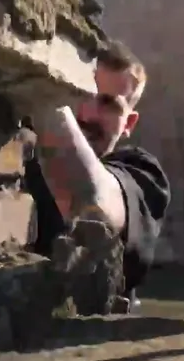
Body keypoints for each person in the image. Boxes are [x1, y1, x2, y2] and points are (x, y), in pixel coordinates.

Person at [23, 40, 170, 305]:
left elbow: (94, 204)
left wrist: (43, 94)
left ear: (129, 123)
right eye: (78, 93)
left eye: (108, 104)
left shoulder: (143, 173)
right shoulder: (16, 154)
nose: (87, 113)